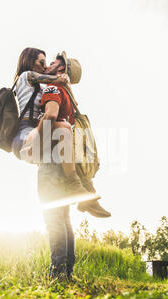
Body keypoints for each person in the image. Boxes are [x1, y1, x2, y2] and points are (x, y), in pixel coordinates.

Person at [36, 52, 111, 280]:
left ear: (62, 70)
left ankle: (57, 272)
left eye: (54, 62)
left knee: (53, 218)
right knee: (64, 218)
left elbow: (50, 116)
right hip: (67, 163)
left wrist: (33, 137)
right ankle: (67, 271)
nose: (48, 64)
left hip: (51, 161)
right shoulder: (68, 94)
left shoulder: (52, 89)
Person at [10, 48, 101, 207]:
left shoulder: (45, 88)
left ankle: (82, 191)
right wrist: (61, 78)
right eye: (41, 62)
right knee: (63, 129)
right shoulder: (26, 76)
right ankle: (76, 188)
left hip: (36, 133)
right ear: (29, 61)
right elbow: (43, 79)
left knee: (63, 136)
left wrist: (66, 84)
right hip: (25, 134)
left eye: (48, 63)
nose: (45, 66)